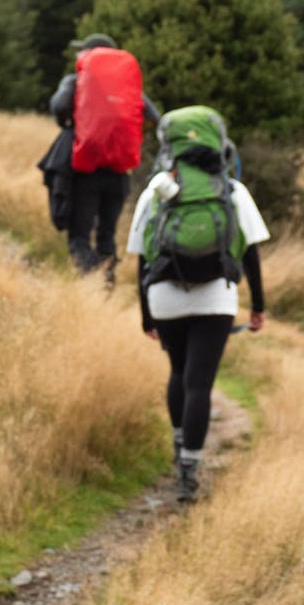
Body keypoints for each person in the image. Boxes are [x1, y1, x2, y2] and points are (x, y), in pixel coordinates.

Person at [125, 107, 269, 503]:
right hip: (216, 297)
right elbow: (251, 254)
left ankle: (177, 446)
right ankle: (189, 471)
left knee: (178, 371)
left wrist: (146, 314)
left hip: (164, 296)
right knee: (200, 382)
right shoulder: (231, 190)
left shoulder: (157, 187)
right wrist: (258, 306)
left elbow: (141, 256)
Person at [48, 33, 161, 279]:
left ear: (88, 55)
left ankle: (89, 283)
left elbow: (58, 105)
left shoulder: (76, 80)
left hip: (85, 168)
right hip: (119, 171)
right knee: (106, 234)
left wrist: (69, 121)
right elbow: (155, 117)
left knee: (79, 234)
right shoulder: (129, 87)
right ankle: (107, 284)